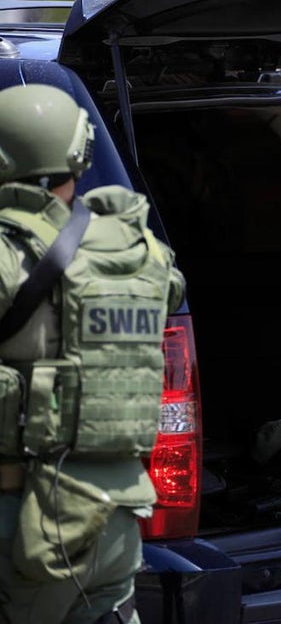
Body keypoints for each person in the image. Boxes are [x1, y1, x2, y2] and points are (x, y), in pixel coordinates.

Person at [0, 83, 185, 623]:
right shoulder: (137, 249)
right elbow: (169, 288)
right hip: (117, 519)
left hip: (25, 523)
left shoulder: (10, 255)